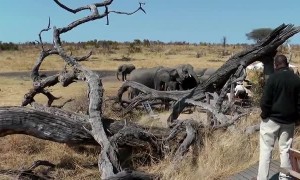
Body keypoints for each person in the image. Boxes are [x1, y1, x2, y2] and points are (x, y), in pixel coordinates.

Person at [257, 54, 300, 180]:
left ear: (276, 65)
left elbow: (265, 101)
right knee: (285, 150)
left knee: (266, 151)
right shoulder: (296, 79)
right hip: (289, 121)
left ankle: (262, 178)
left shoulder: (272, 78)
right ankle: (284, 177)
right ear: (286, 64)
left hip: (271, 119)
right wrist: (297, 119)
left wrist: (265, 115)